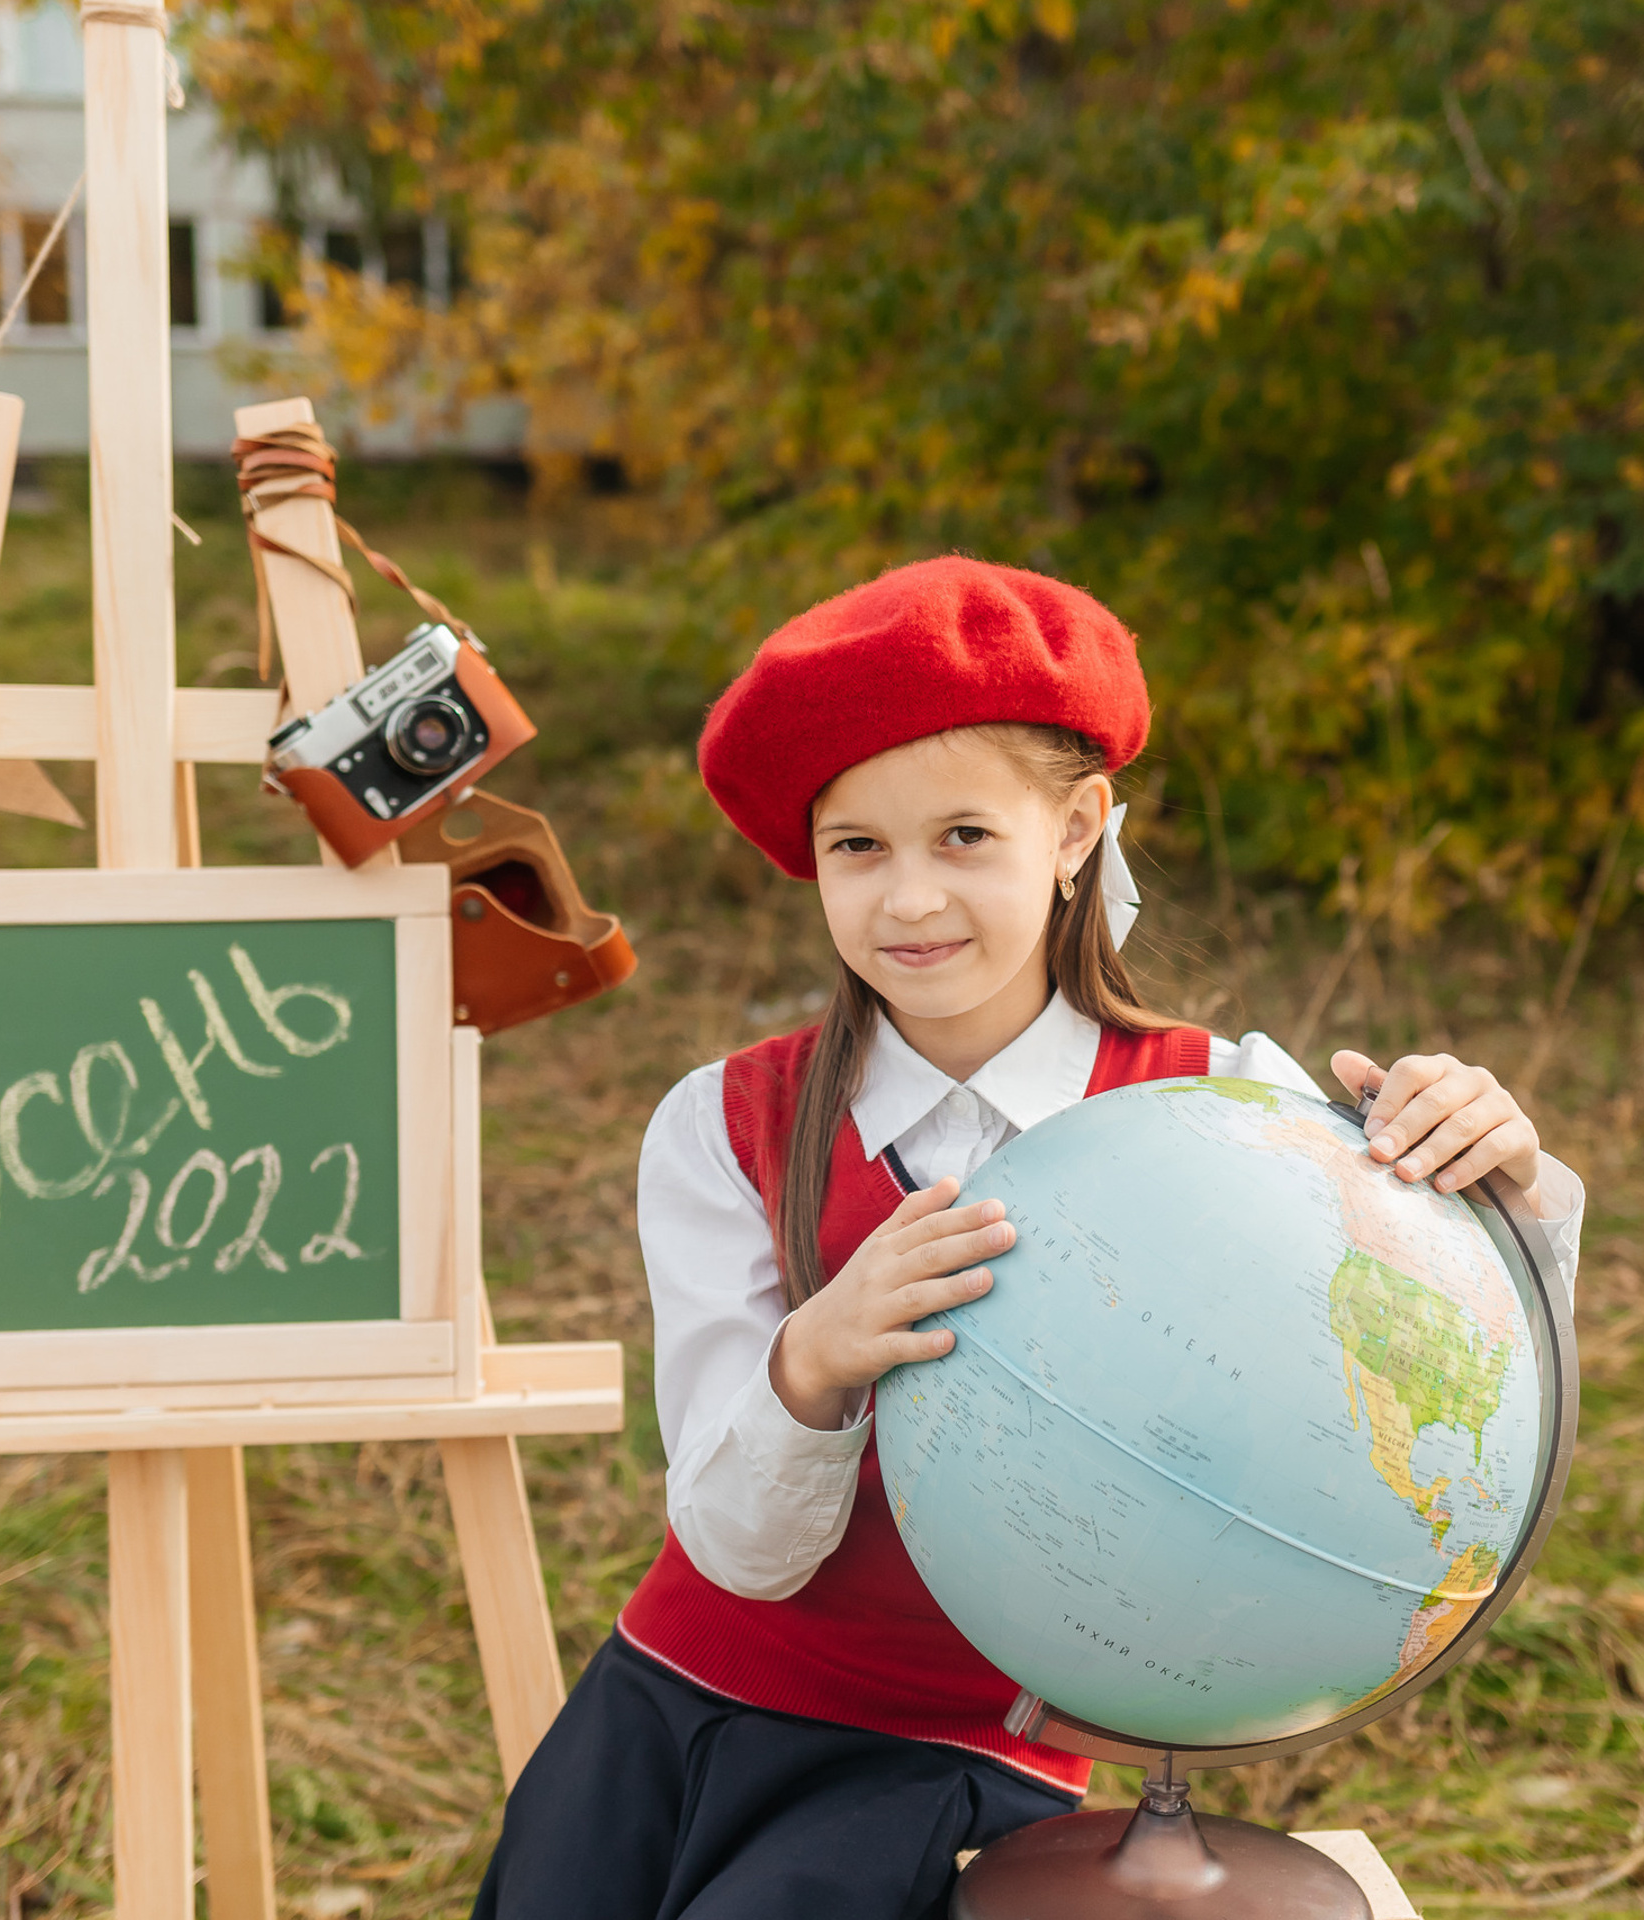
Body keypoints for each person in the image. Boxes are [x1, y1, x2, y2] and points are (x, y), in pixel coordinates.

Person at [471, 557, 1584, 1920]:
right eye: (857, 848)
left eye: (965, 838)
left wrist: (1500, 1186)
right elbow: (733, 1546)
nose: (911, 900)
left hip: (963, 1760)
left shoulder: (1227, 1106)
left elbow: (1435, 1400)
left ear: (1074, 831)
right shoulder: (725, 1125)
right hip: (671, 1706)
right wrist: (810, 1367)